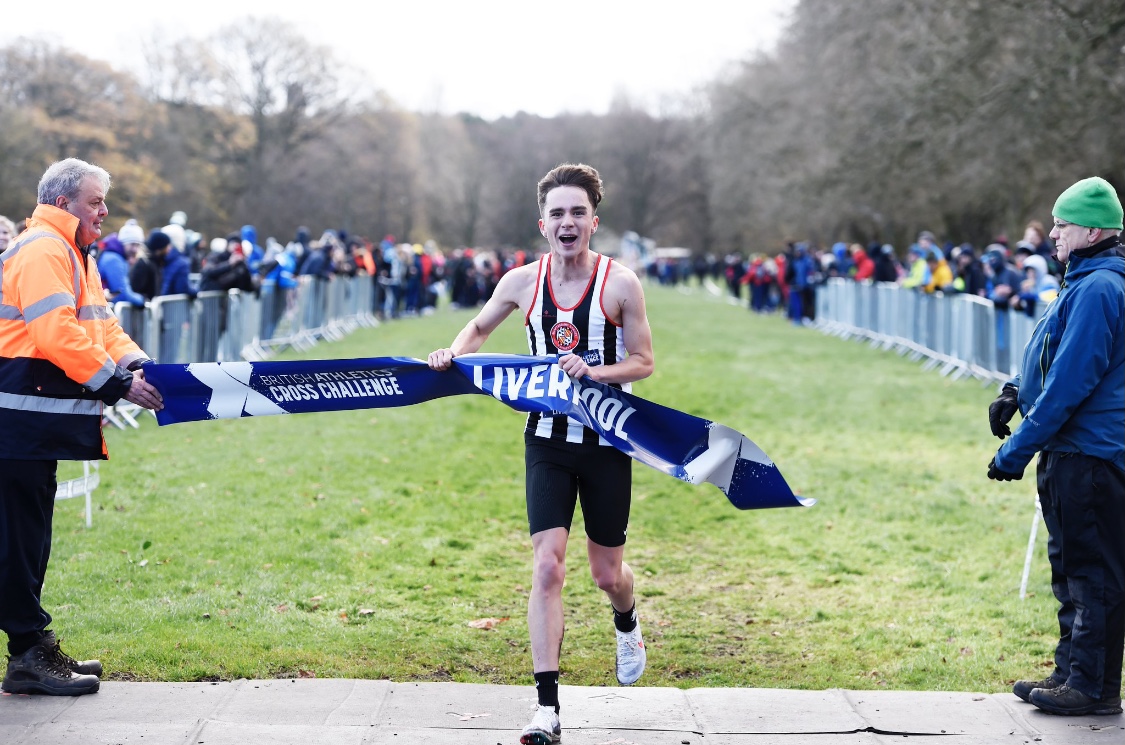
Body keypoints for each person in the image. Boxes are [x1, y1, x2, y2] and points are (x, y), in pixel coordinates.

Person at [428, 164, 654, 745]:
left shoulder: (621, 283)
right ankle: (547, 709)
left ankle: (626, 623)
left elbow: (643, 363)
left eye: (577, 212)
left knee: (607, 574)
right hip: (547, 440)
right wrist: (449, 354)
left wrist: (594, 371)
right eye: (557, 213)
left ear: (593, 221)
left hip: (606, 441)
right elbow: (477, 330)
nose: (567, 222)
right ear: (543, 224)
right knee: (548, 564)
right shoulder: (522, 283)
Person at [0, 158, 164, 696]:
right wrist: (117, 385)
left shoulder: (72, 251)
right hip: (17, 421)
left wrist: (137, 364)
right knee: (19, 541)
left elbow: (101, 328)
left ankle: (30, 649)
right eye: (95, 201)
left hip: (32, 423)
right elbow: (55, 334)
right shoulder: (45, 249)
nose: (105, 210)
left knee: (29, 538)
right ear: (64, 201)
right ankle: (28, 651)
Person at [988, 176, 1124, 717]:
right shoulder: (1082, 280)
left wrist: (1015, 450)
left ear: (1093, 230)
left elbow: (1072, 380)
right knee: (1069, 566)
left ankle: (1092, 686)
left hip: (1090, 455)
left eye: (1063, 224)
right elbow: (1047, 355)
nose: (1055, 234)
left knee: (1093, 572)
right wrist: (1014, 391)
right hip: (1071, 453)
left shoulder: (1099, 287)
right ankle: (1071, 669)